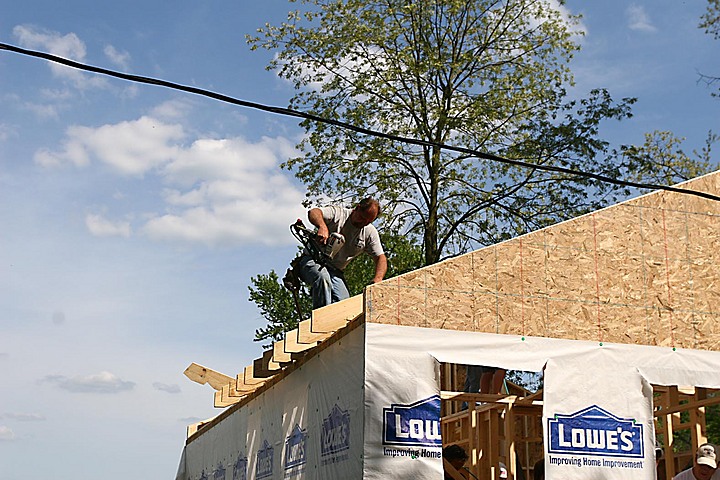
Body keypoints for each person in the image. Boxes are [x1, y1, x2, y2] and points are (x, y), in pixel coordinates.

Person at [297, 198, 387, 309]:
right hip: (312, 259)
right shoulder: (338, 214)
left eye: (367, 222)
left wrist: (378, 279)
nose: (362, 223)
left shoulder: (369, 232)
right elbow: (314, 212)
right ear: (357, 208)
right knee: (322, 278)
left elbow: (380, 258)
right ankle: (321, 321)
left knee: (344, 304)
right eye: (362, 218)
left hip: (335, 271)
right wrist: (322, 226)